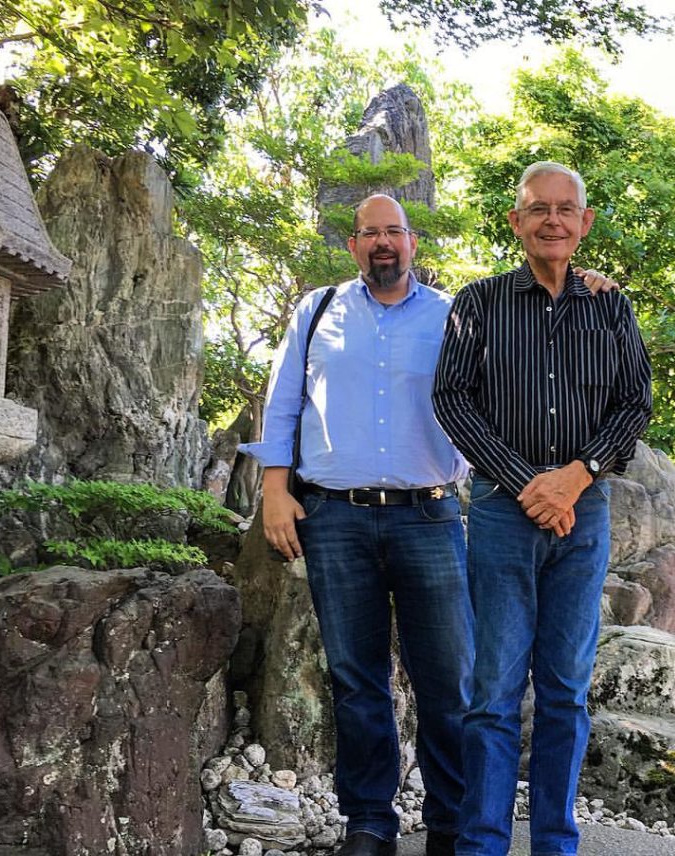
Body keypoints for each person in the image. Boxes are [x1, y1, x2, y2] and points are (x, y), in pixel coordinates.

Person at [242, 193, 619, 856]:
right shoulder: (317, 311)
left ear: (413, 242)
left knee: (452, 681)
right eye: (369, 232)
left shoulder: (457, 313)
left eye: (394, 231)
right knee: (356, 679)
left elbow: (521, 362)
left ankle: (451, 820)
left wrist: (584, 284)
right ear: (354, 244)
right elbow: (283, 405)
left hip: (430, 514)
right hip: (333, 516)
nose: (382, 242)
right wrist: (275, 490)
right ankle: (369, 822)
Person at [432, 162, 652, 856]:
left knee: (565, 690)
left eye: (565, 209)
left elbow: (634, 404)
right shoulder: (479, 302)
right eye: (538, 209)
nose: (552, 220)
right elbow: (451, 399)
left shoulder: (611, 307)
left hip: (585, 514)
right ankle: (482, 843)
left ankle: (555, 843)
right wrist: (530, 483)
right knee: (494, 692)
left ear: (585, 222)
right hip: (503, 513)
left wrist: (576, 478)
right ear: (516, 221)